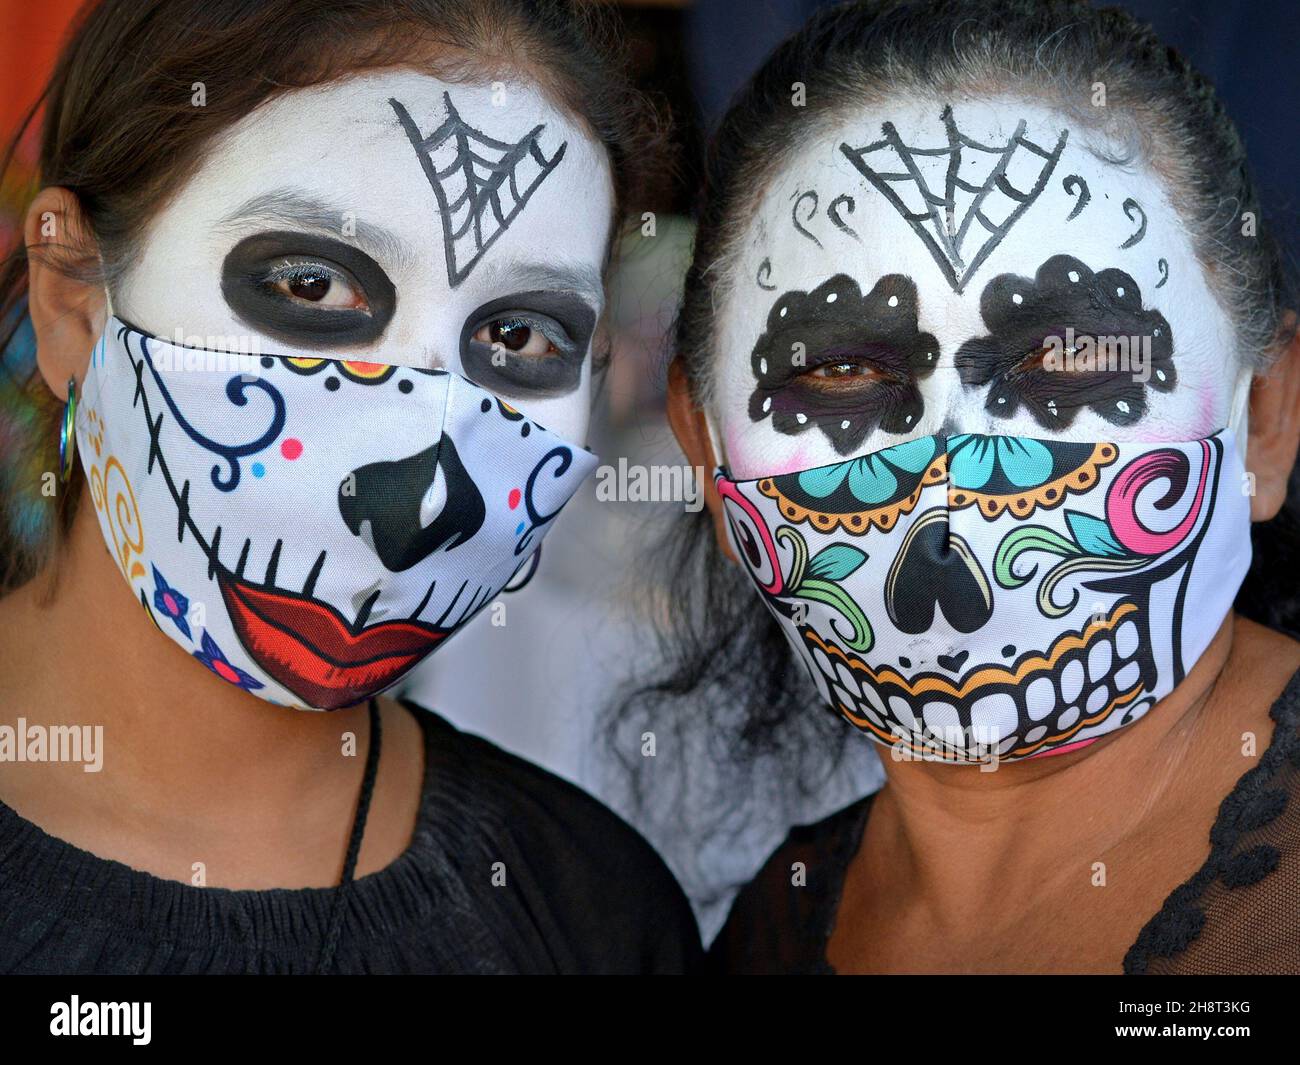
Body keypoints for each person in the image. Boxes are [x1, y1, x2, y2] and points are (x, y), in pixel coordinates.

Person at [0, 0, 702, 974]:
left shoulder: (590, 917)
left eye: (518, 338)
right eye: (313, 288)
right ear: (73, 297)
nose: (425, 491)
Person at [654, 0, 1300, 974]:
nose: (951, 544)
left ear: (1265, 422)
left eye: (1070, 362)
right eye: (840, 376)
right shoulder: (775, 932)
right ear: (704, 446)